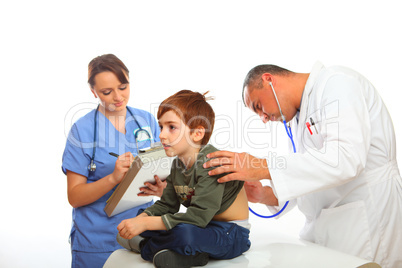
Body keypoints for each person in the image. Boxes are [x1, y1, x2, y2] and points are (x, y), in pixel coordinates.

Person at [203, 62, 402, 268]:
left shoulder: (337, 84)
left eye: (258, 106)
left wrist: (261, 166)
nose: (263, 118)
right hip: (328, 226)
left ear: (269, 80)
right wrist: (264, 195)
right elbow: (311, 175)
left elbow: (345, 160)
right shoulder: (297, 117)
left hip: (367, 218)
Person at [115, 90, 251, 268]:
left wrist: (146, 224)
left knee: (185, 234)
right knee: (143, 217)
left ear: (197, 133)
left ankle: (144, 247)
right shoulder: (177, 165)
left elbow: (198, 218)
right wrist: (143, 219)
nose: (162, 135)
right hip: (203, 227)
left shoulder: (211, 163)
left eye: (171, 127)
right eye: (161, 127)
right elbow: (166, 205)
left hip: (231, 234)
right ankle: (186, 254)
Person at [62, 54, 166, 268]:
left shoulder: (145, 120)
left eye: (123, 87)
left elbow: (162, 169)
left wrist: (161, 188)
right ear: (93, 92)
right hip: (96, 242)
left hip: (142, 236)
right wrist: (113, 178)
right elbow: (74, 196)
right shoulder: (82, 131)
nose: (118, 97)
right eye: (107, 92)